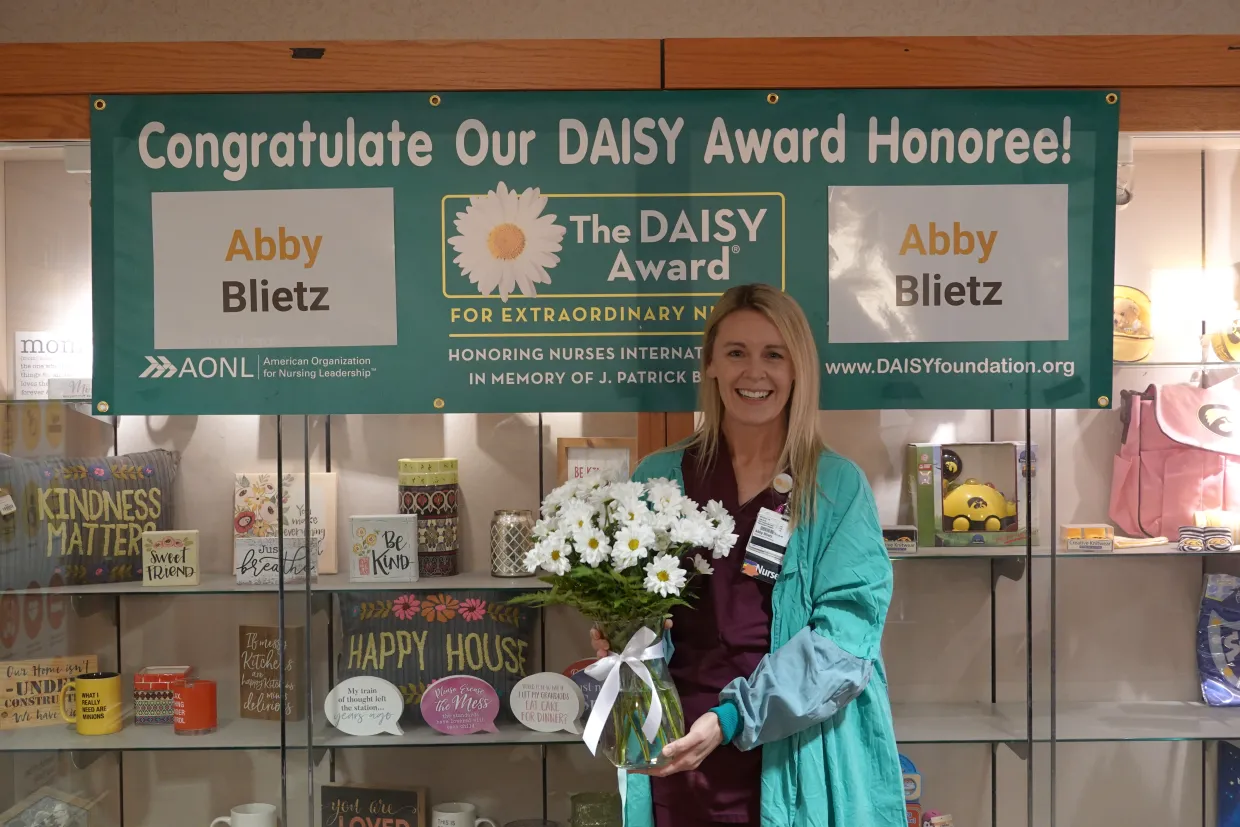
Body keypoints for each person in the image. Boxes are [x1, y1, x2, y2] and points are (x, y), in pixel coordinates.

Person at [590, 283, 904, 827]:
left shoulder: (835, 488)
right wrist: (618, 634)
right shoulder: (657, 479)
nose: (753, 373)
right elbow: (638, 613)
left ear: (797, 370)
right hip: (677, 750)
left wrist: (733, 717)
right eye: (736, 352)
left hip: (792, 750)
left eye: (773, 355)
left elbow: (845, 642)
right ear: (711, 363)